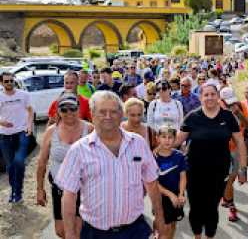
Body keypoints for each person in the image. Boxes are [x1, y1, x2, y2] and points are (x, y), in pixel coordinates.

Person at [55, 91, 166, 239]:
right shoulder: (79, 150)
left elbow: (152, 183)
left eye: (113, 111)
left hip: (136, 230)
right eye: (102, 111)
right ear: (92, 114)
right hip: (95, 233)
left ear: (121, 114)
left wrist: (159, 217)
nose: (108, 116)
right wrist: (70, 233)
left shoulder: (138, 143)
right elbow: (69, 195)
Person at [175, 83, 248, 239]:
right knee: (195, 208)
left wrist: (242, 169)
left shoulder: (228, 117)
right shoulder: (192, 117)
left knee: (211, 208)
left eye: (212, 94)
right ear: (200, 98)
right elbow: (176, 142)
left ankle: (209, 236)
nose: (209, 97)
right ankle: (197, 236)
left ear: (218, 96)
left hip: (218, 172)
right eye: (205, 95)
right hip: (194, 172)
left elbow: (240, 143)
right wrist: (158, 149)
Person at [36, 93, 94, 238]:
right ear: (58, 111)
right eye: (64, 109)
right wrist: (39, 189)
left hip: (84, 190)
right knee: (61, 231)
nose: (68, 113)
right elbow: (42, 161)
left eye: (72, 108)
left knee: (77, 232)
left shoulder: (90, 129)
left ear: (79, 108)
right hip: (59, 189)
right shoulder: (51, 132)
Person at [219, 86, 248, 222]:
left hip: (237, 149)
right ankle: (232, 206)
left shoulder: (240, 106)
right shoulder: (216, 110)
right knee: (229, 178)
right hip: (222, 150)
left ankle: (227, 199)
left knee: (231, 179)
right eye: (227, 102)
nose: (230, 104)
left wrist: (238, 113)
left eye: (231, 101)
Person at [0, 71, 34, 203]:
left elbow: (31, 110)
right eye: (6, 81)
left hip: (22, 133)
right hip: (4, 136)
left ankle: (17, 192)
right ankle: (15, 191)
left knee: (19, 162)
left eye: (11, 80)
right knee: (10, 166)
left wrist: (29, 126)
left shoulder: (24, 95)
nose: (9, 83)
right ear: (1, 83)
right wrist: (1, 122)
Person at [153, 125, 187, 239]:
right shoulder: (153, 157)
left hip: (176, 195)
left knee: (172, 224)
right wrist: (170, 194)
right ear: (157, 138)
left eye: (170, 137)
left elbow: (183, 177)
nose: (167, 140)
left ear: (174, 139)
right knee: (164, 227)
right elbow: (153, 182)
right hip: (160, 196)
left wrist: (181, 194)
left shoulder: (179, 156)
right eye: (163, 137)